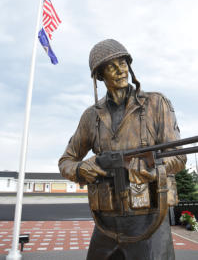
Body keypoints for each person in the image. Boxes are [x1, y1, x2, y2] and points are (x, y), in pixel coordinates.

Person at [59, 39, 186, 260]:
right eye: (111, 66)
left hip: (151, 222)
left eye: (123, 63)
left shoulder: (156, 103)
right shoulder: (91, 116)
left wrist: (152, 166)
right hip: (106, 224)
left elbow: (178, 157)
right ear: (100, 75)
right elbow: (66, 162)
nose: (120, 71)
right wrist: (82, 169)